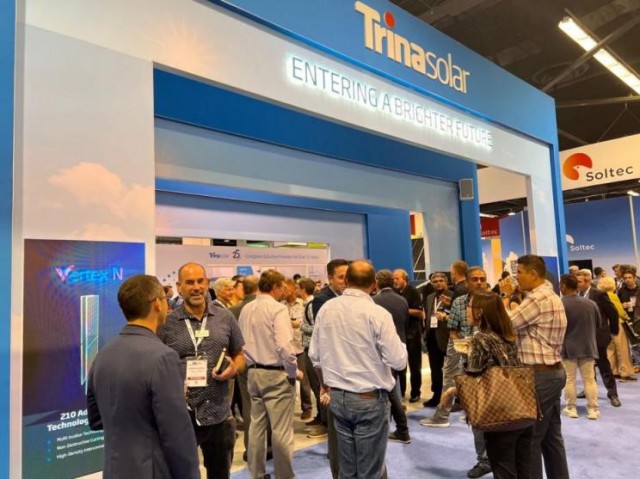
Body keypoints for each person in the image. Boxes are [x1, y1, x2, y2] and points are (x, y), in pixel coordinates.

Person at [87, 275, 200, 479]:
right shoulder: (163, 357)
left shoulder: (103, 354)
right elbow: (176, 432)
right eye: (165, 299)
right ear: (157, 304)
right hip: (153, 471)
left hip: (114, 470)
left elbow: (96, 419)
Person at [309, 260, 407, 479]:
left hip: (338, 398)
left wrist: (325, 386)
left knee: (347, 469)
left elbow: (315, 357)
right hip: (368, 399)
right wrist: (401, 346)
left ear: (346, 280)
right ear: (374, 284)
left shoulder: (326, 310)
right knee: (369, 471)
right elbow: (398, 361)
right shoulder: (377, 314)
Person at [157, 263, 245, 479]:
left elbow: (240, 356)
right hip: (182, 415)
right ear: (179, 286)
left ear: (207, 284)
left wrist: (234, 369)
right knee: (182, 474)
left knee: (220, 474)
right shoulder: (167, 323)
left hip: (219, 413)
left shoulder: (225, 317)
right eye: (189, 282)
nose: (196, 287)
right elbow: (156, 364)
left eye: (200, 281)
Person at [238, 269, 302, 479]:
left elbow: (241, 342)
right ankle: (285, 476)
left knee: (256, 427)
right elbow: (285, 346)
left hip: (253, 372)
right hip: (276, 374)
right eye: (282, 286)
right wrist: (293, 372)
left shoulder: (247, 308)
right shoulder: (278, 309)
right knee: (281, 430)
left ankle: (256, 474)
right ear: (274, 287)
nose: (284, 290)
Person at [510, 255, 569, 479]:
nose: (517, 277)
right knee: (551, 438)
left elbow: (507, 324)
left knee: (530, 438)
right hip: (551, 373)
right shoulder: (550, 295)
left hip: (540, 376)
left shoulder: (537, 298)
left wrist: (506, 297)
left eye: (519, 272)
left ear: (533, 274)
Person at [466, 291, 533, 479]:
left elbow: (473, 377)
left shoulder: (481, 338)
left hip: (500, 414)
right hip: (523, 410)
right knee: (524, 471)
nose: (466, 310)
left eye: (469, 306)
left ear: (479, 311)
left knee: (504, 471)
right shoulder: (508, 335)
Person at [373, 269, 411, 444]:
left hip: (382, 353)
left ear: (377, 282)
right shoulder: (402, 300)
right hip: (400, 348)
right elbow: (405, 324)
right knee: (393, 389)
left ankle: (401, 430)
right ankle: (400, 429)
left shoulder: (374, 302)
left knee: (390, 392)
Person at [576, 269, 620, 407]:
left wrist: (613, 331)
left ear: (587, 281)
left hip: (599, 336)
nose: (576, 284)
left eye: (579, 282)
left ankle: (612, 393)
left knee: (603, 365)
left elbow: (613, 313)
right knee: (586, 366)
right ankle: (589, 390)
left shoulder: (599, 294)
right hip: (583, 337)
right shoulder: (576, 295)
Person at [559, 274, 601, 420]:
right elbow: (598, 324)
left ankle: (571, 408)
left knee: (570, 379)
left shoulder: (560, 304)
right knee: (589, 379)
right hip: (588, 346)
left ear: (563, 286)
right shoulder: (591, 304)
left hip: (568, 348)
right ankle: (593, 409)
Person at [393, 268, 424, 402]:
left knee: (415, 365)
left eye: (397, 278)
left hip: (413, 334)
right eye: (393, 278)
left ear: (405, 279)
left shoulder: (413, 292)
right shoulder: (393, 293)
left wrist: (403, 310)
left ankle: (415, 392)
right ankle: (401, 391)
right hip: (399, 334)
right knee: (400, 366)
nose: (395, 281)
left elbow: (420, 312)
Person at [422, 272, 452, 407]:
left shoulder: (452, 296)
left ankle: (457, 398)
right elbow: (428, 316)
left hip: (449, 337)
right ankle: (436, 395)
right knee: (435, 369)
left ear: (446, 282)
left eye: (441, 280)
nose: (438, 283)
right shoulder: (430, 298)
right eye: (435, 281)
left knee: (453, 369)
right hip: (432, 337)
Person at [598, 276, 636, 380]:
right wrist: (627, 317)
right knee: (622, 348)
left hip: (606, 325)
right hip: (617, 324)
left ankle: (612, 371)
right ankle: (625, 372)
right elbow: (619, 311)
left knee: (610, 349)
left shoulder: (599, 296)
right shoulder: (612, 296)